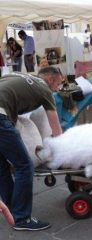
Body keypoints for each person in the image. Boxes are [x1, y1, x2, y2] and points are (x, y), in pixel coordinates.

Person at [0, 66, 63, 230]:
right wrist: (62, 145)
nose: (58, 89)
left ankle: (11, 210)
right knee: (24, 166)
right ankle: (22, 219)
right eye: (58, 84)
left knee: (2, 167)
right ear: (50, 79)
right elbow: (54, 124)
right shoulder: (43, 88)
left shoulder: (21, 76)